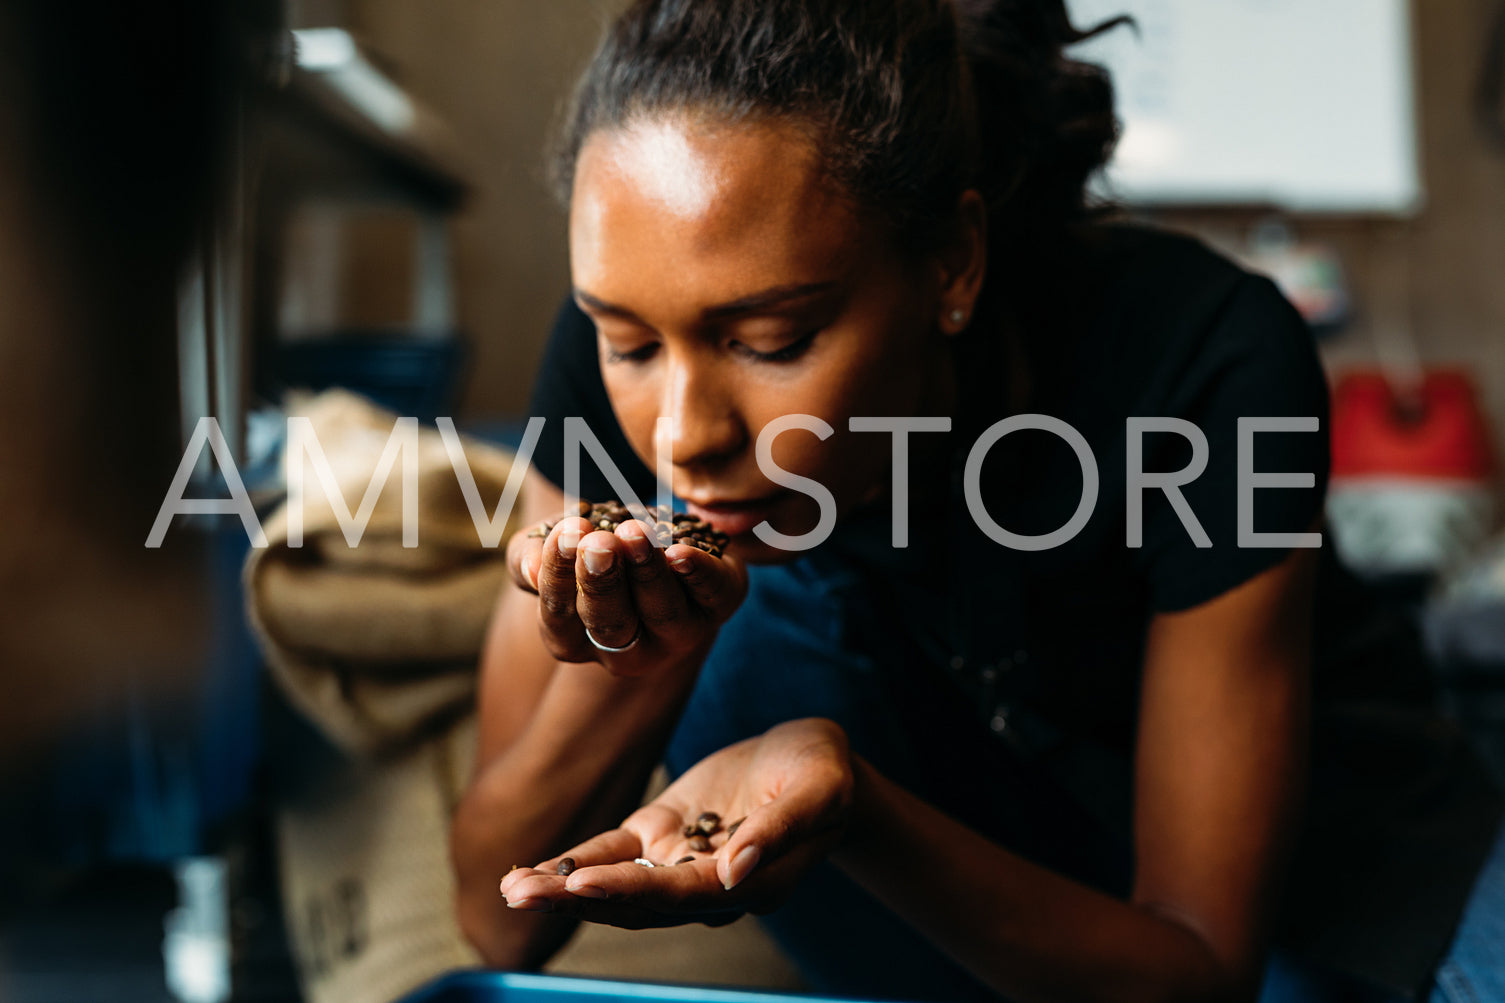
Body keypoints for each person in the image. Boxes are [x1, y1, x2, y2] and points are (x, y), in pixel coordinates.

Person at [451, 2, 1505, 1001]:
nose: (683, 433)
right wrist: (645, 662)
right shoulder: (617, 364)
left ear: (950, 263)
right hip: (975, 864)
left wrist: (855, 808)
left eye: (768, 343)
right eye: (627, 341)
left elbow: (1197, 967)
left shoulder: (1199, 361)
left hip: (1323, 874)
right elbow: (497, 920)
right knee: (743, 642)